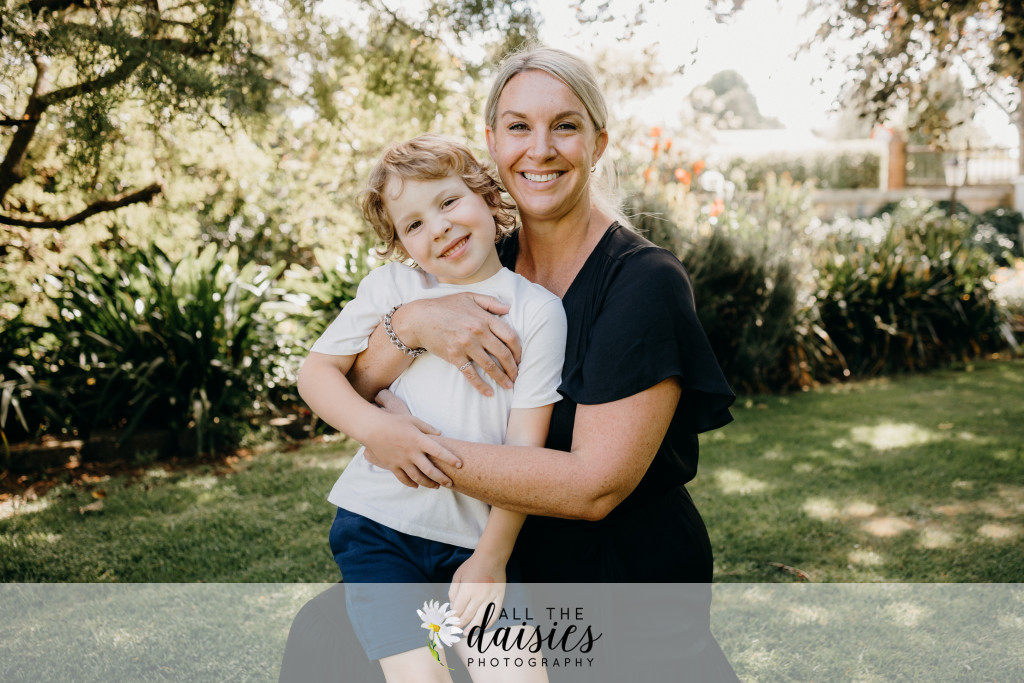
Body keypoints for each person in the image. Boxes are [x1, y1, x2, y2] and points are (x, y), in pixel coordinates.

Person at [342, 46, 739, 680]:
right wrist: (411, 325)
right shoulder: (472, 255)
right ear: (493, 143)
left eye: (565, 126)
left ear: (598, 143)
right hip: (484, 574)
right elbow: (358, 383)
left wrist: (409, 448)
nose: (541, 149)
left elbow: (593, 486)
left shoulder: (643, 283)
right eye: (519, 126)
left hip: (619, 589)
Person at [297, 134, 565, 682]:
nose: (438, 227)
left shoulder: (538, 312)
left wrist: (492, 558)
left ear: (489, 197)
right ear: (400, 243)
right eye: (414, 224)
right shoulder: (392, 287)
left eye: (448, 202)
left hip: (474, 540)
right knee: (420, 677)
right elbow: (315, 373)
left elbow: (525, 452)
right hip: (378, 530)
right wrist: (378, 431)